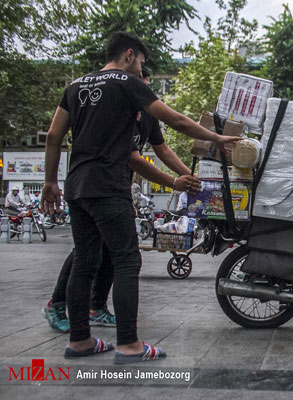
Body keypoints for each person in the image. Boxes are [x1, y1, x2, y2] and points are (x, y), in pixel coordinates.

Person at [42, 32, 240, 363]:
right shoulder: (127, 83)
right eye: (142, 64)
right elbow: (176, 119)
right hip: (108, 185)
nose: (141, 71)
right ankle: (129, 344)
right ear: (130, 55)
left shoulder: (75, 87)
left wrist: (50, 180)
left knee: (85, 261)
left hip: (77, 185)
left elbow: (53, 135)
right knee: (126, 260)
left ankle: (79, 341)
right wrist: (216, 137)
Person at [43, 66, 196, 335]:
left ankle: (94, 311)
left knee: (107, 252)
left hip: (116, 188)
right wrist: (173, 182)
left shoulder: (148, 116)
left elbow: (163, 150)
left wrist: (191, 176)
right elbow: (134, 158)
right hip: (97, 187)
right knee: (89, 254)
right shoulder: (114, 110)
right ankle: (58, 304)